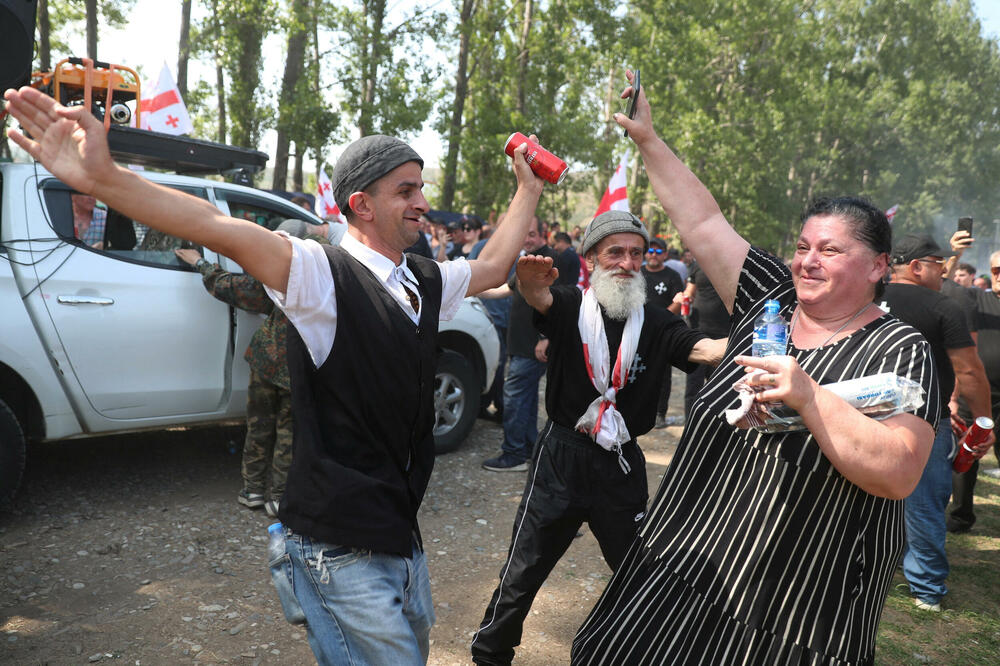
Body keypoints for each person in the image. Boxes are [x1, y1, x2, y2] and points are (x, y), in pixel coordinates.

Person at [4, 85, 547, 665]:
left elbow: (490, 267)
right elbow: (217, 226)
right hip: (338, 549)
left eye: (421, 187)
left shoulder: (422, 279)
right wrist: (106, 180)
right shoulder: (318, 274)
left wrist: (528, 188)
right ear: (360, 204)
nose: (422, 202)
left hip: (400, 540)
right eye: (405, 190)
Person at [572, 72, 940, 666]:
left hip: (793, 608)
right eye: (802, 247)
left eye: (829, 250)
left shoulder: (898, 348)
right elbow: (704, 222)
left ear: (877, 266)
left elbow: (899, 472)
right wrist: (649, 140)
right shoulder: (767, 301)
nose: (807, 261)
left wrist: (809, 397)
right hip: (683, 561)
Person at [470, 211, 726, 666]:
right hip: (561, 458)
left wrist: (778, 343)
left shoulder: (655, 322)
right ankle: (490, 656)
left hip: (620, 466)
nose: (627, 262)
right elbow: (540, 297)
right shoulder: (570, 304)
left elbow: (703, 349)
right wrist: (527, 281)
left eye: (635, 252)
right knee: (522, 572)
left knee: (639, 576)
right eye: (615, 252)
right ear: (590, 259)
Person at [175, 219, 325, 518]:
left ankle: (252, 490)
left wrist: (200, 262)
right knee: (289, 433)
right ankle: (280, 498)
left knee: (259, 426)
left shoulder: (273, 272)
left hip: (266, 361)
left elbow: (226, 286)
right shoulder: (324, 275)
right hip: (299, 367)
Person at [881, 233, 993, 611]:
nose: (944, 269)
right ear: (916, 266)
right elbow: (970, 370)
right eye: (937, 262)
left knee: (866, 493)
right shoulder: (944, 306)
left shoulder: (865, 296)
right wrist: (984, 421)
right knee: (925, 503)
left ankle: (875, 566)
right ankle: (927, 588)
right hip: (923, 421)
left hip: (862, 414)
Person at [481, 217, 570, 472]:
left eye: (532, 234)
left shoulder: (550, 260)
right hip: (520, 344)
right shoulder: (526, 260)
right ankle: (530, 448)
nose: (527, 239)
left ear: (543, 235)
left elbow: (560, 302)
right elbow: (505, 290)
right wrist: (469, 287)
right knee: (526, 399)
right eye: (524, 234)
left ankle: (514, 454)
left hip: (534, 346)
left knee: (515, 398)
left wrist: (546, 338)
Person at [949, 249, 1000, 531]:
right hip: (977, 393)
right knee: (967, 454)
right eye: (995, 270)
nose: (999, 276)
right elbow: (942, 281)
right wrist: (955, 253)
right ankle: (960, 516)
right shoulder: (976, 300)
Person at [640, 236, 684, 428]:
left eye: (658, 252)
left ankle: (660, 413)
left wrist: (660, 320)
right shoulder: (638, 273)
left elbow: (679, 301)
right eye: (650, 251)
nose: (654, 255)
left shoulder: (672, 276)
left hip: (663, 331)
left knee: (662, 373)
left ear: (665, 255)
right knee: (636, 370)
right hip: (637, 329)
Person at [678, 257, 730, 418]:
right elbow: (690, 292)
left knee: (720, 386)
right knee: (693, 384)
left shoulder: (733, 263)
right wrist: (683, 297)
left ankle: (716, 425)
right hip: (698, 332)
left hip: (725, 333)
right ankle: (690, 423)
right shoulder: (698, 264)